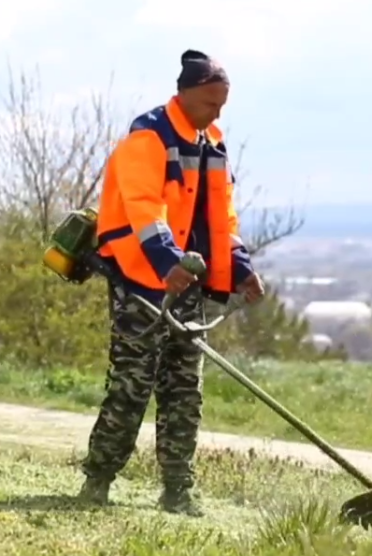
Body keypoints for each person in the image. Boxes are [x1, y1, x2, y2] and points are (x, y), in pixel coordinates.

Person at [76, 48, 265, 517]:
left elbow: (222, 219)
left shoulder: (213, 144)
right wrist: (167, 262)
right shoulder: (150, 138)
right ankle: (97, 481)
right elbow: (144, 208)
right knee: (132, 384)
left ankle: (178, 491)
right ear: (184, 94)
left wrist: (241, 268)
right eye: (209, 103)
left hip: (191, 285)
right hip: (142, 280)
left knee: (184, 389)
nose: (216, 113)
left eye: (222, 105)